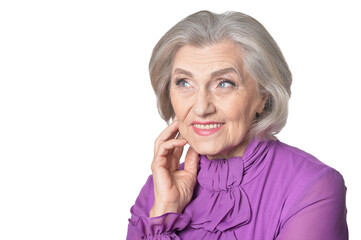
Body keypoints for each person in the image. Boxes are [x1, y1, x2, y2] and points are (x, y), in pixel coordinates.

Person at [126, 10, 348, 239]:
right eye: (184, 82)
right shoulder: (158, 189)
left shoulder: (312, 187)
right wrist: (163, 214)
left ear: (263, 95)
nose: (201, 107)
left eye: (224, 84)